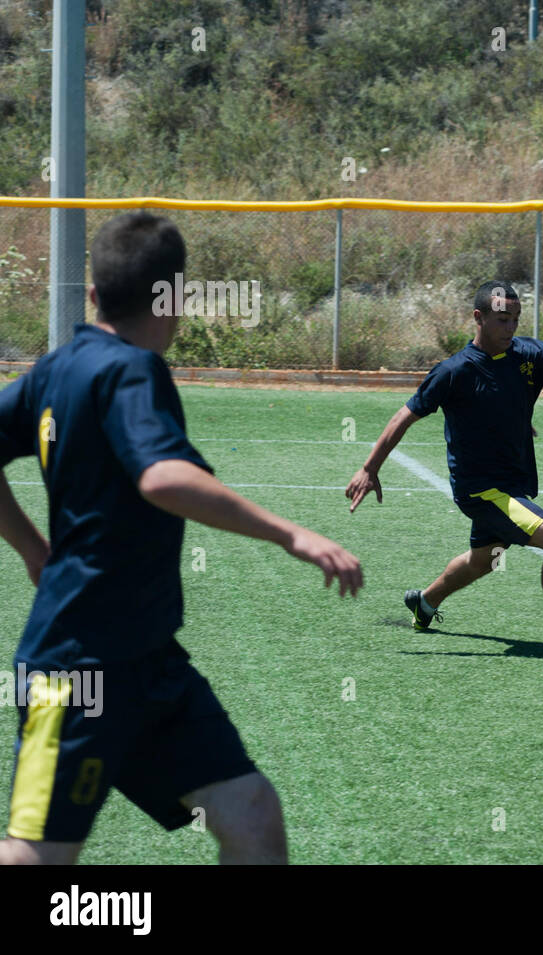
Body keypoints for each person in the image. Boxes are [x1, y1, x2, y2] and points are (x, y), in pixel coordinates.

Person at [0, 212, 363, 865]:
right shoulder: (134, 371)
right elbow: (163, 476)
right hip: (74, 669)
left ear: (92, 294)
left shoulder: (57, 368)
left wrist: (33, 550)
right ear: (174, 298)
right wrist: (290, 534)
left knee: (250, 809)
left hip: (148, 666)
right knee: (36, 854)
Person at [346, 281, 543, 661]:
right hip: (480, 490)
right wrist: (369, 468)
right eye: (502, 320)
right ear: (479, 318)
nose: (510, 328)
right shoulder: (453, 371)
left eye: (515, 320)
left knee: (485, 559)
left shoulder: (526, 355)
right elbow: (405, 416)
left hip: (512, 487)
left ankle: (424, 602)